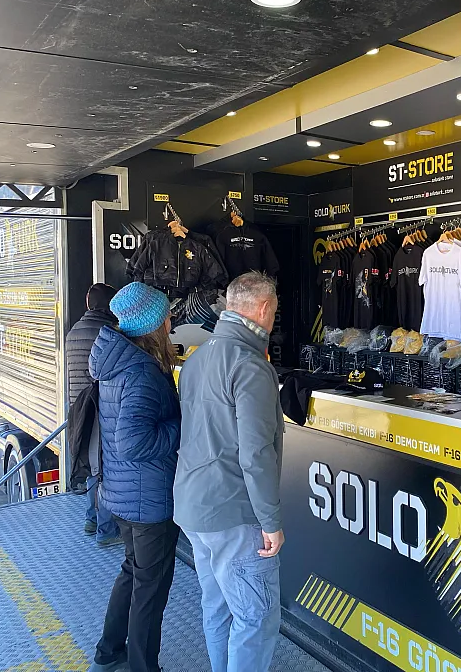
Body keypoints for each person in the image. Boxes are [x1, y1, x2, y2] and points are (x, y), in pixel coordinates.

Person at [174, 271, 284, 672]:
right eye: (274, 311)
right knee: (255, 619)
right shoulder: (251, 366)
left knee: (218, 608)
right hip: (234, 512)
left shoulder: (197, 358)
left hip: (194, 507)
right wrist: (271, 521)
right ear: (264, 308)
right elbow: (256, 454)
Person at [88, 282, 181, 672]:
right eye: (166, 316)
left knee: (133, 572)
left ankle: (109, 651)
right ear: (152, 325)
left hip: (124, 493)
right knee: (150, 590)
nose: (171, 321)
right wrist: (182, 425)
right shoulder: (141, 372)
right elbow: (133, 442)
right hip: (147, 500)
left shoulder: (120, 362)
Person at [65, 283, 121, 546]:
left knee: (91, 467)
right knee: (106, 471)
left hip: (78, 409)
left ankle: (91, 519)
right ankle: (106, 530)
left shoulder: (75, 330)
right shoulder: (107, 332)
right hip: (99, 409)